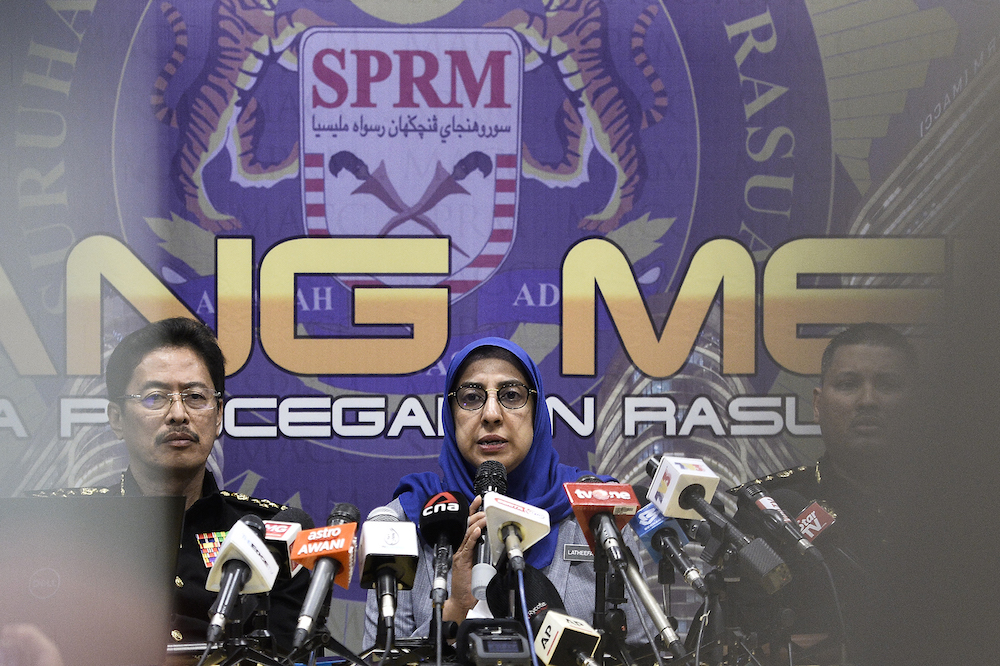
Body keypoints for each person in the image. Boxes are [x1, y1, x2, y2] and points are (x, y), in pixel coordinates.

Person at [33, 317, 310, 651]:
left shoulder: (273, 535)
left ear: (219, 415)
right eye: (154, 397)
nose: (178, 414)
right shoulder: (66, 530)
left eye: (195, 396)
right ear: (117, 419)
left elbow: (290, 655)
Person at [362, 337, 650, 654]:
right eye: (471, 397)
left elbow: (641, 648)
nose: (491, 414)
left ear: (537, 410)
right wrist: (455, 606)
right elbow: (381, 656)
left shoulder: (595, 510)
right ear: (450, 413)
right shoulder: (410, 517)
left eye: (511, 395)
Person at [738, 322, 918, 664]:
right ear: (818, 404)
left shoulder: (965, 512)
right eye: (849, 385)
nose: (868, 401)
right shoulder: (769, 510)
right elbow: (738, 642)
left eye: (888, 385)